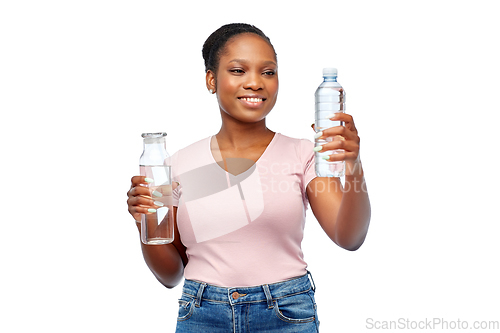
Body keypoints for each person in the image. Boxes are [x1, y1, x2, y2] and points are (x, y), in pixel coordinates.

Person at [127, 23, 371, 332]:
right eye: (238, 71)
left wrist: (354, 165)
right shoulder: (173, 166)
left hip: (286, 314)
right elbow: (170, 275)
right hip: (202, 314)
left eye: (268, 72)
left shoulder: (303, 154)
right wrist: (144, 222)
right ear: (211, 80)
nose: (255, 83)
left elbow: (349, 237)